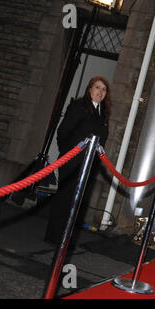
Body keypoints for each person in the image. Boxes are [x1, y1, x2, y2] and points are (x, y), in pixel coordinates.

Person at [44, 75, 111, 245]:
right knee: (64, 198)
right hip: (71, 162)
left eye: (104, 89)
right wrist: (68, 153)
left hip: (89, 165)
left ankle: (67, 237)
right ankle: (54, 236)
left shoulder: (103, 114)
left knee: (78, 200)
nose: (100, 92)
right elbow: (63, 132)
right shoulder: (79, 106)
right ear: (89, 89)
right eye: (97, 87)